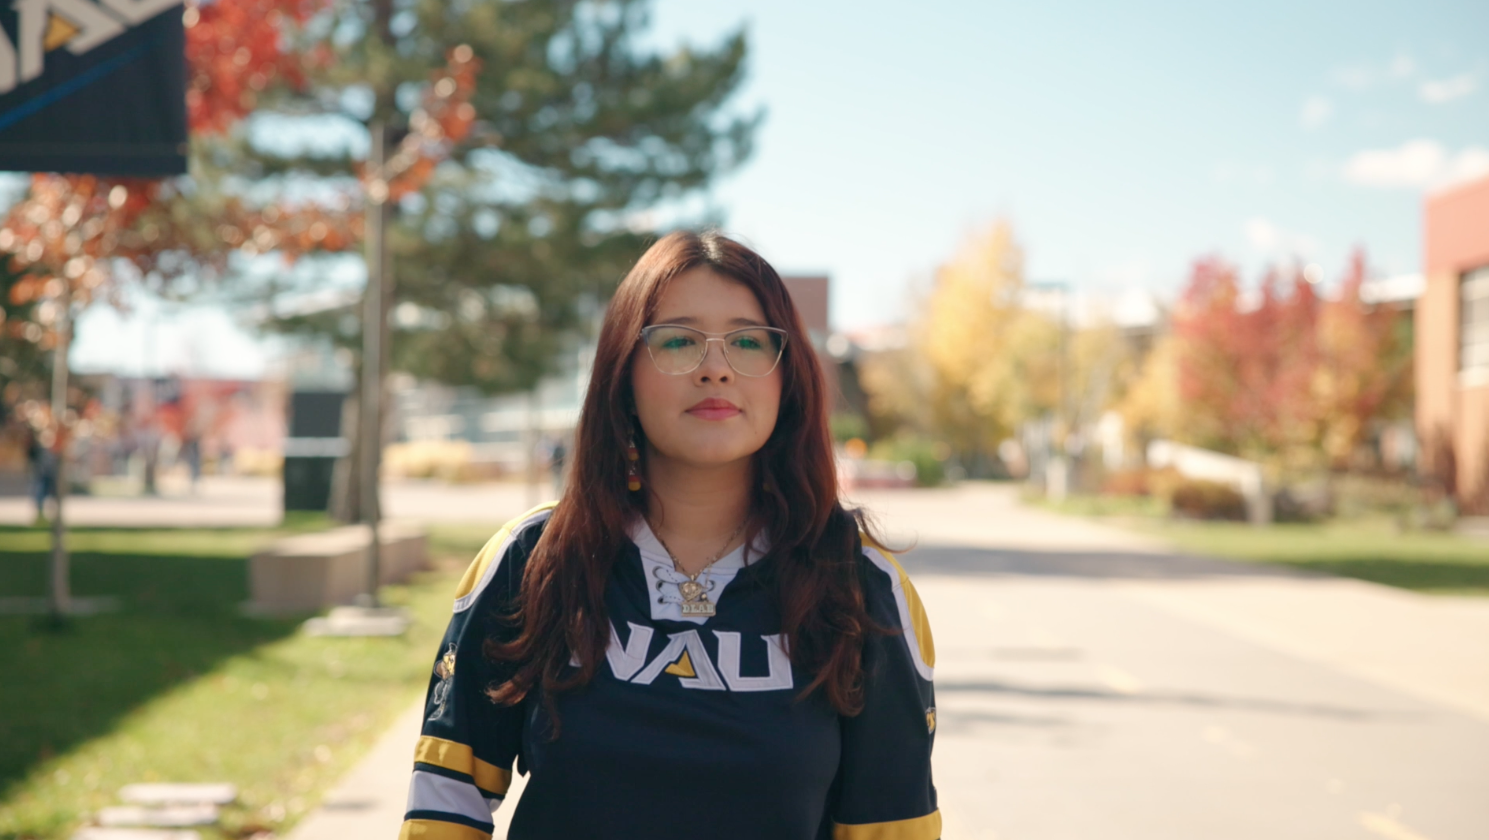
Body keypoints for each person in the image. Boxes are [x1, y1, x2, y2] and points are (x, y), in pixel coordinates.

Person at [399, 231, 940, 840]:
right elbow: (445, 808)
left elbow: (893, 828)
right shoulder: (534, 560)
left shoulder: (863, 588)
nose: (716, 369)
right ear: (622, 373)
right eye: (678, 341)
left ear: (787, 378)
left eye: (748, 341)